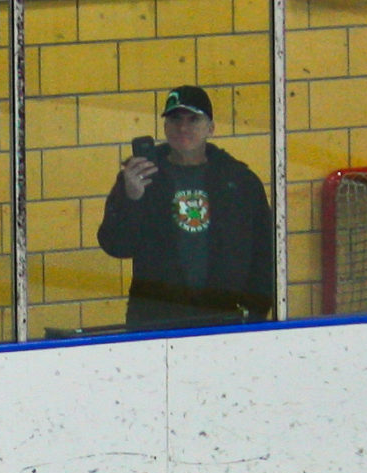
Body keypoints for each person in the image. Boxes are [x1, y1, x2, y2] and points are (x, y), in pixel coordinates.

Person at [97, 86, 276, 331]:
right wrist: (132, 199)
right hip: (155, 320)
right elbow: (116, 245)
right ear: (165, 127)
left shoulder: (239, 181)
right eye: (175, 119)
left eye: (193, 119)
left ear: (211, 128)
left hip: (225, 319)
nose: (183, 128)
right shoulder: (139, 178)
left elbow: (265, 251)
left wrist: (254, 313)